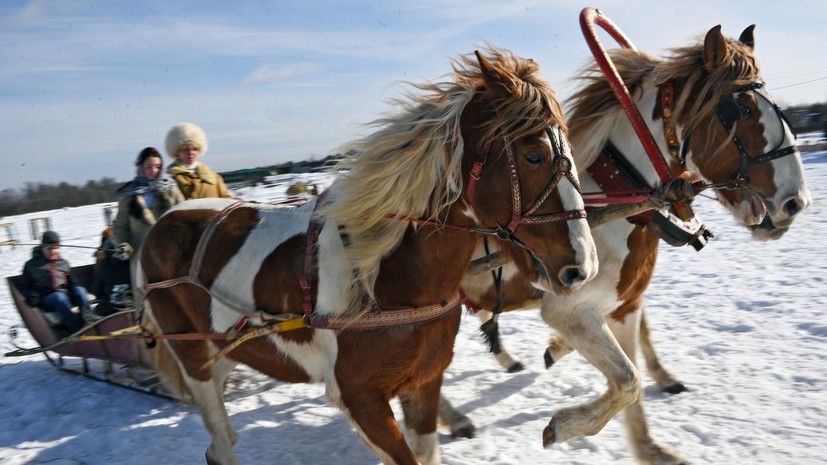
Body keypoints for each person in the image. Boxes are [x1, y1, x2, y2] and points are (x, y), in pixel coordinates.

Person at [111, 147, 185, 262]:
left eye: (157, 166)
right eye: (148, 167)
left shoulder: (171, 189)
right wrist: (122, 245)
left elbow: (185, 216)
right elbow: (120, 226)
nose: (154, 170)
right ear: (140, 167)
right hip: (142, 258)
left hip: (173, 254)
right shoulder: (128, 196)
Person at [18, 231, 90, 333]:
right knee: (59, 297)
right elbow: (24, 287)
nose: (53, 252)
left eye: (55, 248)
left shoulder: (63, 262)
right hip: (47, 298)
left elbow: (73, 283)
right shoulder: (31, 265)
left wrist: (76, 289)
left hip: (65, 295)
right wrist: (32, 295)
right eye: (49, 249)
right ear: (43, 248)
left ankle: (90, 321)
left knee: (80, 290)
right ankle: (77, 329)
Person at [165, 122, 231, 199]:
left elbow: (226, 201)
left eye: (194, 149)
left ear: (200, 150)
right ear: (177, 151)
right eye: (185, 149)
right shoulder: (170, 178)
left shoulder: (215, 178)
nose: (190, 152)